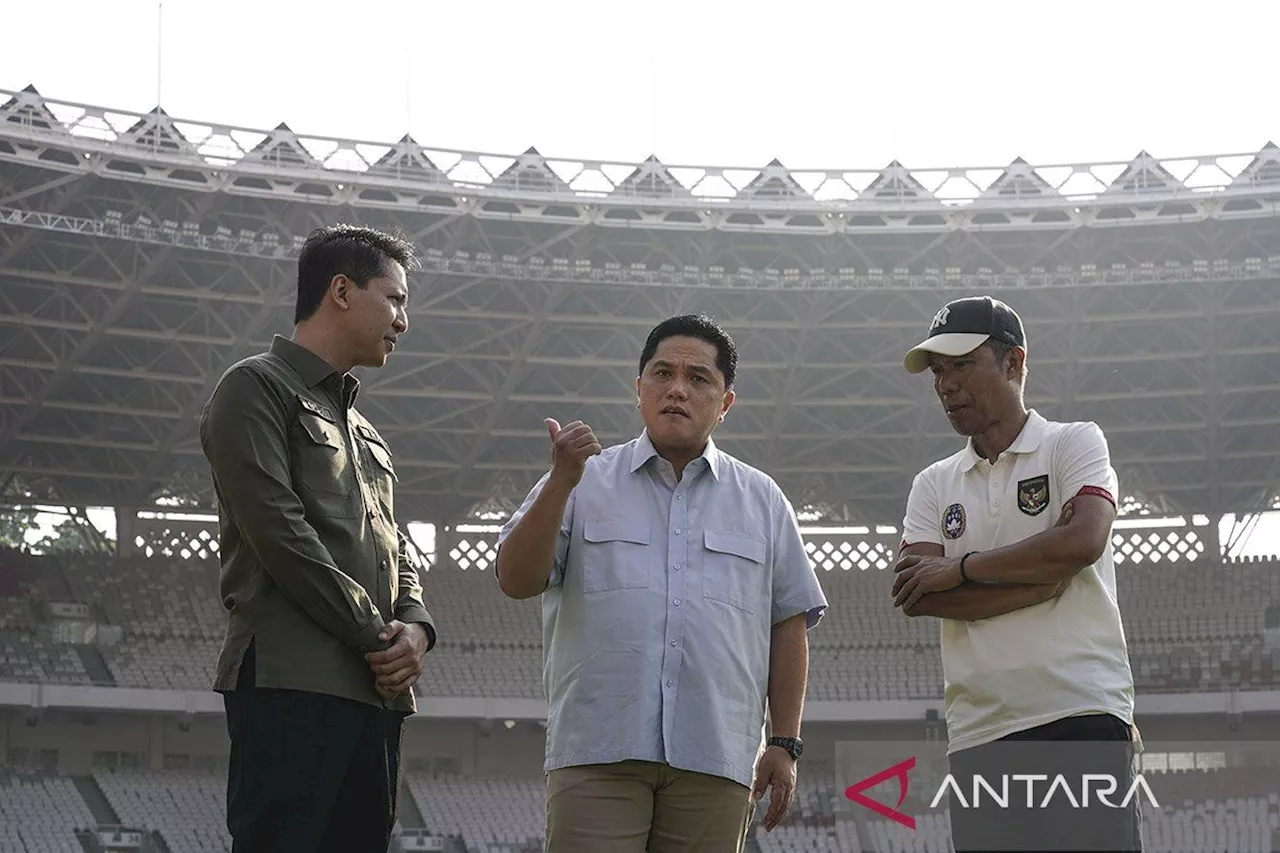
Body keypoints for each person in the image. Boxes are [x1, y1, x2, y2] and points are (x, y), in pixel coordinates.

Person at [496, 314, 828, 853]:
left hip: (715, 756)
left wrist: (785, 743)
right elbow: (515, 579)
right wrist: (560, 480)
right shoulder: (583, 479)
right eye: (662, 373)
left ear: (725, 403)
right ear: (639, 389)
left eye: (699, 378)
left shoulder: (763, 500)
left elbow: (788, 624)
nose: (677, 388)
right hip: (599, 750)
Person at [199, 224, 436, 853]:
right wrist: (375, 634)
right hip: (290, 684)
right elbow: (280, 534)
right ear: (340, 291)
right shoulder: (255, 387)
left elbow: (397, 549)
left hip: (377, 693)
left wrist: (416, 627)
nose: (403, 321)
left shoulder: (367, 430)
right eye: (395, 299)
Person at [890, 295, 1142, 852]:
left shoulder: (1074, 442)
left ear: (1014, 362)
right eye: (936, 370)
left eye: (960, 364)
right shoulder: (933, 483)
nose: (945, 385)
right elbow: (915, 593)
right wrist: (1040, 578)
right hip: (980, 731)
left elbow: (1082, 541)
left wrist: (960, 569)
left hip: (1080, 711)